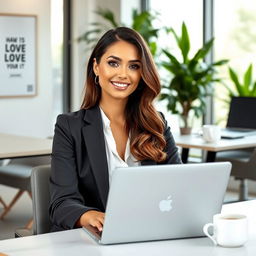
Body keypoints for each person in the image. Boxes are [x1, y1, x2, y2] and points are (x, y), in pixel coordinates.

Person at [49, 27, 182, 232]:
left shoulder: (156, 124)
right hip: (94, 239)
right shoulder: (69, 126)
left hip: (149, 233)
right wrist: (89, 216)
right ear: (96, 67)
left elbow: (180, 187)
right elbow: (61, 204)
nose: (123, 74)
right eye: (113, 63)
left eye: (134, 66)